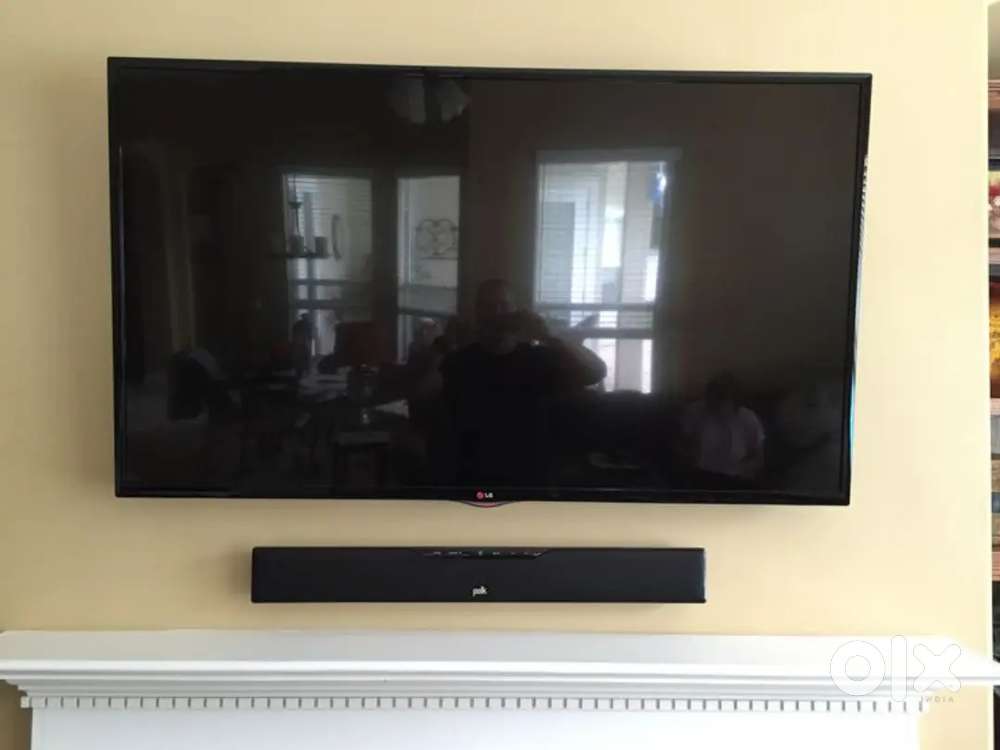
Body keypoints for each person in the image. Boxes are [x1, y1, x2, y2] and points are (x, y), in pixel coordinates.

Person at [434, 279, 607, 485]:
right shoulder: (459, 361)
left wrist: (548, 336)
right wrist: (443, 343)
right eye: (488, 307)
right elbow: (419, 395)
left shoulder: (538, 358)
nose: (497, 314)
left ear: (515, 312)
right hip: (472, 476)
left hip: (529, 477)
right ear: (477, 314)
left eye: (504, 306)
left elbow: (596, 372)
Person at [679, 373, 765, 482]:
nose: (716, 405)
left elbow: (759, 459)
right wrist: (690, 459)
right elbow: (680, 445)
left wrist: (743, 470)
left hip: (736, 478)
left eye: (723, 400)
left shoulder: (749, 419)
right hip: (700, 476)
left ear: (735, 401)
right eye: (713, 399)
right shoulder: (694, 412)